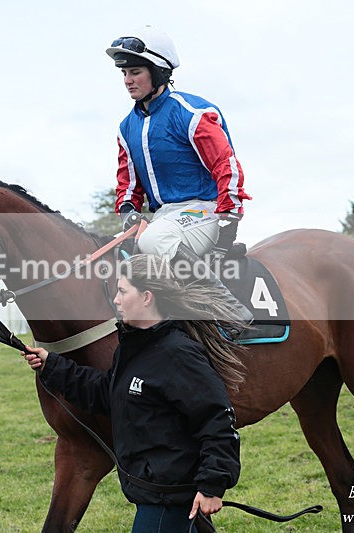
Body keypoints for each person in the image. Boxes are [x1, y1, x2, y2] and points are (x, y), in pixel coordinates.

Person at [23, 254, 242, 531]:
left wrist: (212, 485)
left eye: (123, 291)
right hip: (156, 494)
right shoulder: (134, 346)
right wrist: (51, 365)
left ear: (147, 297)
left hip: (169, 500)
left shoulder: (178, 354)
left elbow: (217, 420)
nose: (115, 299)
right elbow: (107, 392)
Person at [106, 26, 254, 332]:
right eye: (124, 73)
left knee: (155, 239)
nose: (127, 80)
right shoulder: (126, 127)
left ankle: (224, 305)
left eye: (135, 72)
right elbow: (128, 184)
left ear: (159, 72)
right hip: (165, 217)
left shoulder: (192, 112)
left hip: (206, 210)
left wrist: (229, 221)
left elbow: (227, 166)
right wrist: (128, 210)